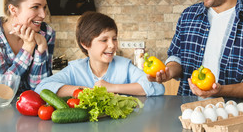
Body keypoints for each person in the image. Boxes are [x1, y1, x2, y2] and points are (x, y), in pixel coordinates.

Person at [35, 11, 165, 97]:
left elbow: (157, 88)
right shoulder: (75, 69)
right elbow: (42, 88)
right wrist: (89, 92)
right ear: (85, 43)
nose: (112, 45)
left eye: (114, 39)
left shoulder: (124, 66)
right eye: (104, 40)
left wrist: (111, 88)